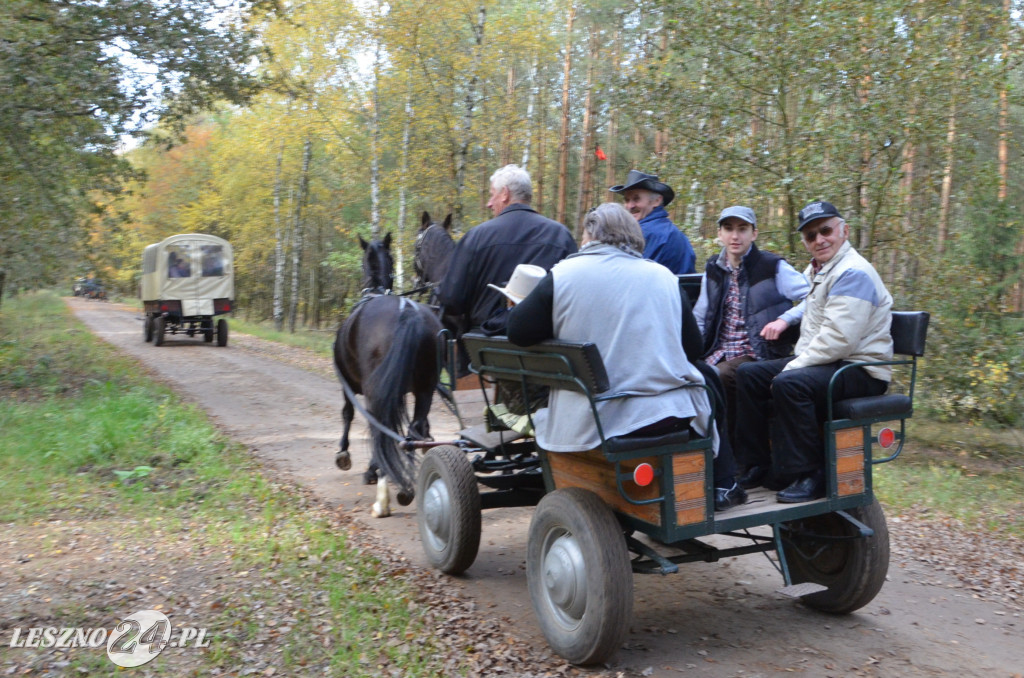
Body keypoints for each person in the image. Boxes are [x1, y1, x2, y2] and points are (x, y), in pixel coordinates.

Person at [506, 203, 746, 511]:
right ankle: (723, 481)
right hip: (668, 415)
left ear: (591, 235)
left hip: (592, 420)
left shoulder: (563, 275)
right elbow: (693, 350)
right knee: (706, 376)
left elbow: (518, 332)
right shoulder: (663, 277)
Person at [733, 201, 893, 503]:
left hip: (861, 368)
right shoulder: (820, 269)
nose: (819, 240)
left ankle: (811, 474)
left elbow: (839, 340)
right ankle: (758, 463)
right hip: (833, 362)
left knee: (789, 383)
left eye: (825, 230)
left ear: (843, 231)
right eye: (810, 236)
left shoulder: (854, 273)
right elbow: (811, 312)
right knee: (748, 374)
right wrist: (785, 323)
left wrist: (793, 366)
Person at [693, 206, 809, 447]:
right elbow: (700, 317)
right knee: (690, 375)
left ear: (754, 234)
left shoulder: (771, 266)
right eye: (729, 229)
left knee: (719, 376)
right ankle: (699, 453)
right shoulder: (713, 268)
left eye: (742, 229)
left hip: (758, 353)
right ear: (720, 234)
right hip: (719, 351)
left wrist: (784, 319)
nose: (735, 236)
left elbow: (815, 297)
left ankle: (731, 454)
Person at [437, 164, 577, 338]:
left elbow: (451, 300)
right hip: (545, 351)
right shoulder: (561, 236)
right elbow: (574, 296)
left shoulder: (477, 237)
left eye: (491, 195)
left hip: (483, 351)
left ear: (505, 194)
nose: (488, 204)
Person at [608, 170, 695, 274]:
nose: (630, 206)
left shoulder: (642, 234)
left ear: (656, 201)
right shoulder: (675, 233)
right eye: (627, 200)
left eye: (636, 199)